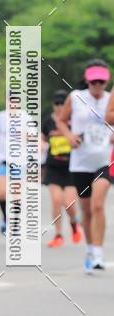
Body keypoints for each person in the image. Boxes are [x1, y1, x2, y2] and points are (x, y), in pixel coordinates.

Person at [57, 59, 112, 273]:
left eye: (102, 82)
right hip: (80, 162)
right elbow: (61, 120)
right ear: (87, 81)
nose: (97, 86)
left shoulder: (111, 99)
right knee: (87, 210)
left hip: (104, 160)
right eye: (94, 82)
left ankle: (98, 253)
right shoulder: (76, 97)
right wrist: (69, 135)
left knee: (98, 204)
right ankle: (89, 249)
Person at [41, 90, 82, 247]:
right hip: (53, 168)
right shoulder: (48, 122)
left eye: (62, 104)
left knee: (69, 203)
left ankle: (73, 224)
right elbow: (42, 138)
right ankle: (58, 235)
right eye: (56, 104)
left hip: (71, 168)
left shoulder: (73, 121)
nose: (59, 107)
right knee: (56, 201)